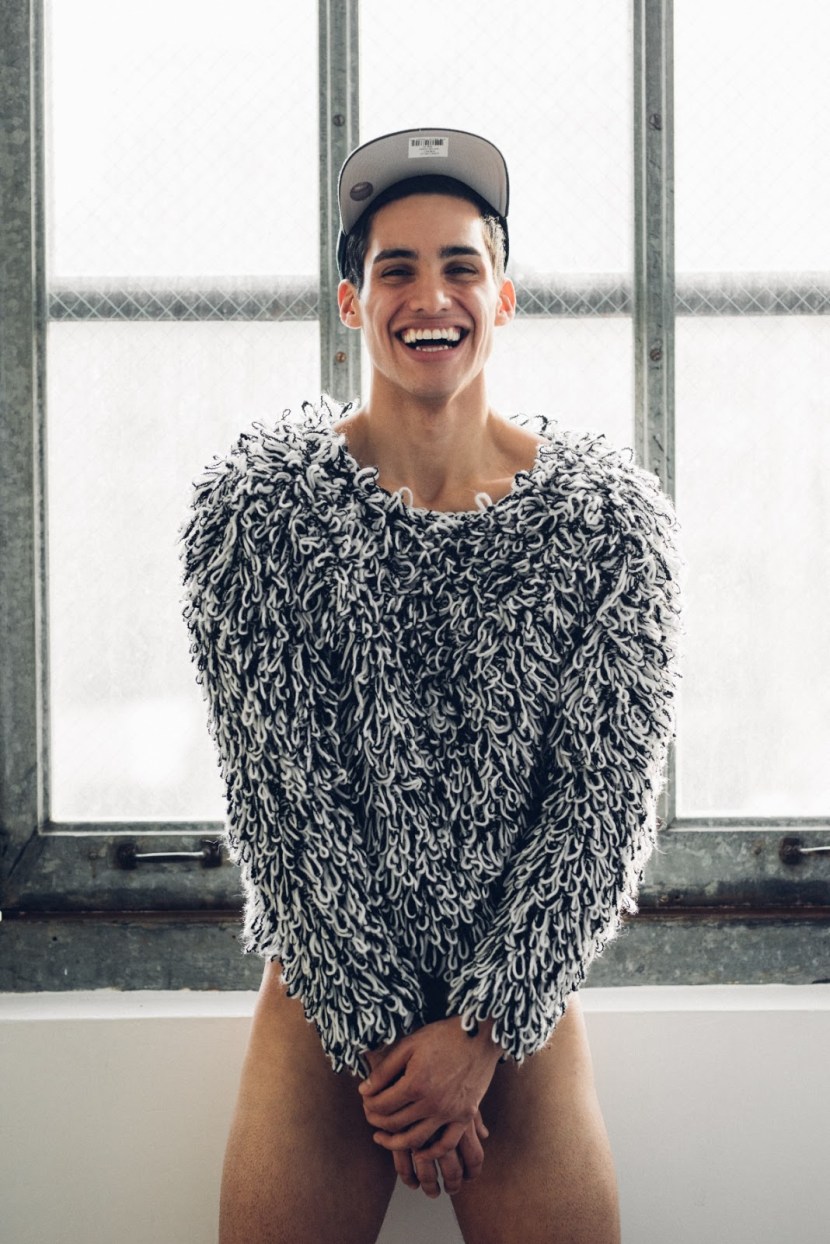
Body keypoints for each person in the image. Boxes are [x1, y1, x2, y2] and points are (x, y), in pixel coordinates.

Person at [181, 127, 682, 1244]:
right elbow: (283, 807)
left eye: (460, 265)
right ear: (352, 303)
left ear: (502, 297)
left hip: (514, 1013)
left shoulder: (608, 523)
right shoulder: (258, 514)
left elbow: (602, 806)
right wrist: (382, 1049)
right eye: (395, 268)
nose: (430, 296)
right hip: (324, 1003)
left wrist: (483, 1032)